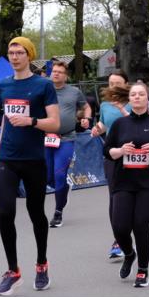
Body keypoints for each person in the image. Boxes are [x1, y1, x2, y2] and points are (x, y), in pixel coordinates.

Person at [0, 37, 60, 297]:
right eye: (11, 52)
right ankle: (12, 271)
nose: (15, 56)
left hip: (33, 160)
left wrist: (31, 121)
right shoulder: (3, 85)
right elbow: (7, 119)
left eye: (20, 52)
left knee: (36, 213)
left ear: (29, 56)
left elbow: (54, 123)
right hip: (7, 158)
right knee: (5, 212)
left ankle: (41, 263)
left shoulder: (43, 85)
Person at [103, 82, 149, 288]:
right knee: (120, 227)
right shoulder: (120, 125)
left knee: (141, 225)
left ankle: (143, 270)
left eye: (141, 94)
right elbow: (107, 151)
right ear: (130, 99)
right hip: (123, 180)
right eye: (133, 94)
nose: (137, 97)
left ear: (147, 98)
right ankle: (129, 253)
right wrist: (121, 150)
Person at [45, 60, 89, 228]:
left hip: (66, 138)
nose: (56, 74)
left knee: (59, 175)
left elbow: (86, 107)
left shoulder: (74, 91)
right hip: (46, 137)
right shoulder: (44, 88)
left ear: (66, 75)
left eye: (60, 72)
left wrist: (86, 118)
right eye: (54, 71)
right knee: (48, 177)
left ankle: (58, 212)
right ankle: (63, 189)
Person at [93, 82, 131, 260]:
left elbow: (140, 122)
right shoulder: (105, 105)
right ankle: (119, 239)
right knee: (114, 197)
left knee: (132, 198)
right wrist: (97, 129)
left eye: (117, 82)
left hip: (134, 156)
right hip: (113, 155)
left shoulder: (135, 100)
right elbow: (103, 124)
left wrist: (123, 110)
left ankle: (132, 233)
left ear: (125, 83)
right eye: (111, 83)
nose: (113, 86)